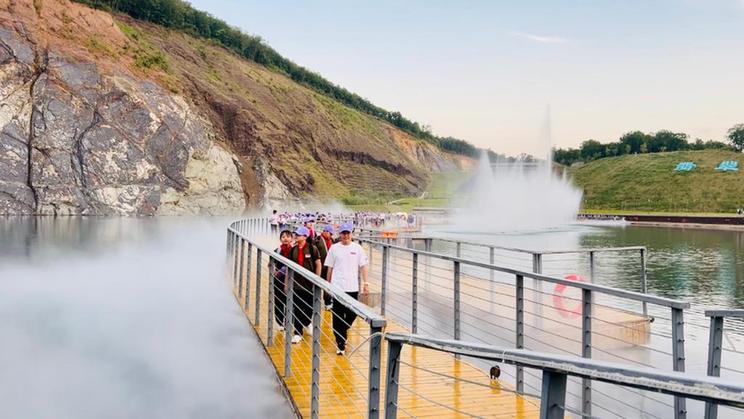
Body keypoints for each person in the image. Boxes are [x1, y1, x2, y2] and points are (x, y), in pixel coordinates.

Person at [324, 222, 369, 355]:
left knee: (352, 313)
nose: (345, 236)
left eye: (348, 233)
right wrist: (328, 285)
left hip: (352, 287)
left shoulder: (358, 248)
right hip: (337, 287)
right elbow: (330, 268)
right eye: (343, 233)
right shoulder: (334, 248)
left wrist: (366, 283)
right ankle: (340, 343)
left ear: (351, 234)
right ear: (340, 235)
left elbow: (363, 266)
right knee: (337, 315)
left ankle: (342, 330)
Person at [288, 226, 322, 344]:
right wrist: (287, 282)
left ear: (305, 236)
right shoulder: (293, 250)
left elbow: (318, 264)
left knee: (309, 307)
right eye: (296, 234)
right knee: (296, 308)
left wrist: (317, 279)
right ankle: (298, 333)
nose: (296, 236)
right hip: (296, 284)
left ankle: (307, 322)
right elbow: (289, 267)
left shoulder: (312, 249)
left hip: (309, 284)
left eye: (299, 235)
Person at [272, 229, 293, 331]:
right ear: (280, 239)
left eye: (288, 237)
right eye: (283, 237)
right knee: (279, 300)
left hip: (291, 279)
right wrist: (273, 271)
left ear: (291, 238)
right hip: (279, 279)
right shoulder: (277, 250)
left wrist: (281, 271)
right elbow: (271, 263)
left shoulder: (294, 250)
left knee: (290, 300)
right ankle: (280, 322)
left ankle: (289, 321)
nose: (285, 239)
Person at [314, 224, 336, 310]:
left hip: (329, 267)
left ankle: (328, 303)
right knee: (318, 285)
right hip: (321, 267)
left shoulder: (332, 241)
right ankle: (316, 302)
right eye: (330, 233)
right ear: (325, 232)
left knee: (328, 285)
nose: (331, 235)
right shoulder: (318, 240)